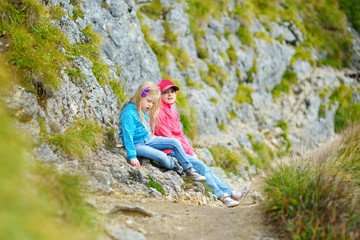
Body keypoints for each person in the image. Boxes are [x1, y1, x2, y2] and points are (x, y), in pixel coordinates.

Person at [154, 79, 251, 207]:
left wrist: (191, 151)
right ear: (159, 95)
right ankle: (223, 197)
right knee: (201, 167)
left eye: (172, 91)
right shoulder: (159, 112)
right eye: (166, 92)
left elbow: (180, 135)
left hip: (178, 149)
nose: (170, 94)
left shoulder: (173, 112)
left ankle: (232, 193)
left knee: (205, 167)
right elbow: (169, 137)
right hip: (168, 150)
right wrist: (187, 151)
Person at [118, 81, 206, 181]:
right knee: (162, 157)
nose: (150, 105)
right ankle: (175, 167)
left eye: (153, 103)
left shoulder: (142, 108)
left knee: (174, 142)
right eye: (149, 101)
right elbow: (127, 135)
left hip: (147, 139)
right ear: (140, 96)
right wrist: (132, 156)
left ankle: (189, 170)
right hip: (137, 144)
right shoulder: (129, 113)